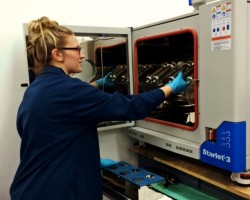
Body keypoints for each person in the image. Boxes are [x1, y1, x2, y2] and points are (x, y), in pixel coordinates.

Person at [10, 16, 187, 200]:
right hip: (57, 191)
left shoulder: (36, 89)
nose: (82, 55)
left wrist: (88, 161)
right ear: (57, 54)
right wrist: (169, 88)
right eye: (77, 49)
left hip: (30, 187)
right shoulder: (70, 91)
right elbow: (130, 107)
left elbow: (54, 127)